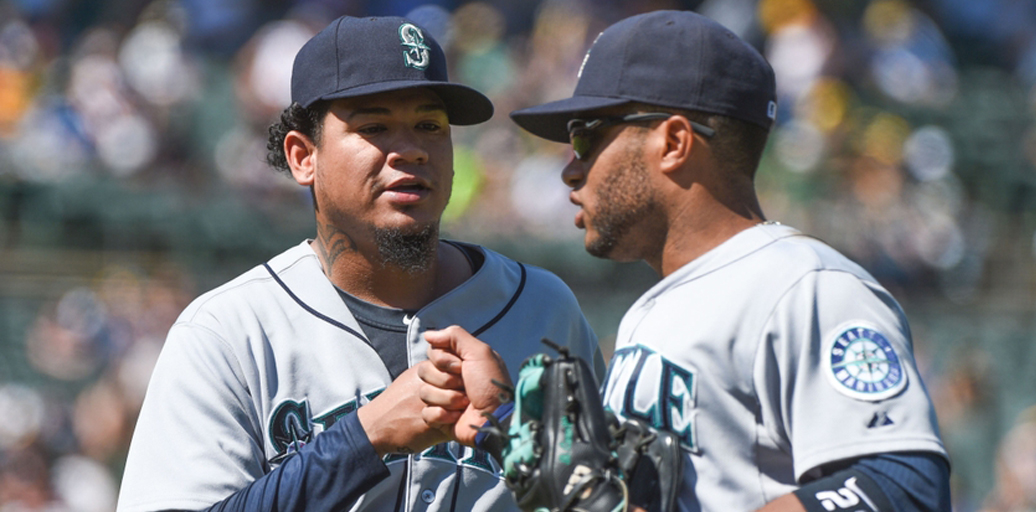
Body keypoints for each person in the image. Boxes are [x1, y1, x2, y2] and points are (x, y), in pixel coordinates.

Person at [419, 10, 951, 512]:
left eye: (587, 137)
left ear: (673, 142)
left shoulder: (804, 286)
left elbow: (905, 487)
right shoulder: (653, 311)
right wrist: (504, 420)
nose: (570, 170)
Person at [116, 15, 602, 512]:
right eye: (375, 126)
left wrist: (512, 429)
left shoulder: (545, 310)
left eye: (430, 126)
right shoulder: (230, 332)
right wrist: (364, 439)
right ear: (304, 157)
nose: (411, 149)